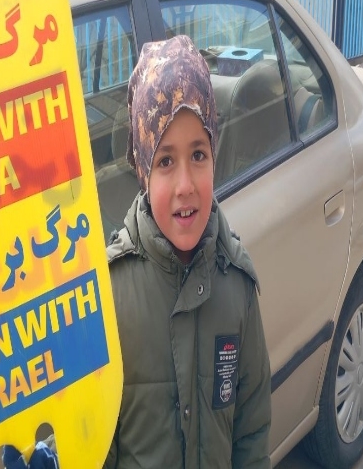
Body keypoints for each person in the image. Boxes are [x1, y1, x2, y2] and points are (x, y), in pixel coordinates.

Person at [104, 34, 271, 468]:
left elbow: (251, 431)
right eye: (165, 161)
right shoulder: (111, 295)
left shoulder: (236, 285)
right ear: (143, 171)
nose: (185, 185)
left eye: (198, 155)